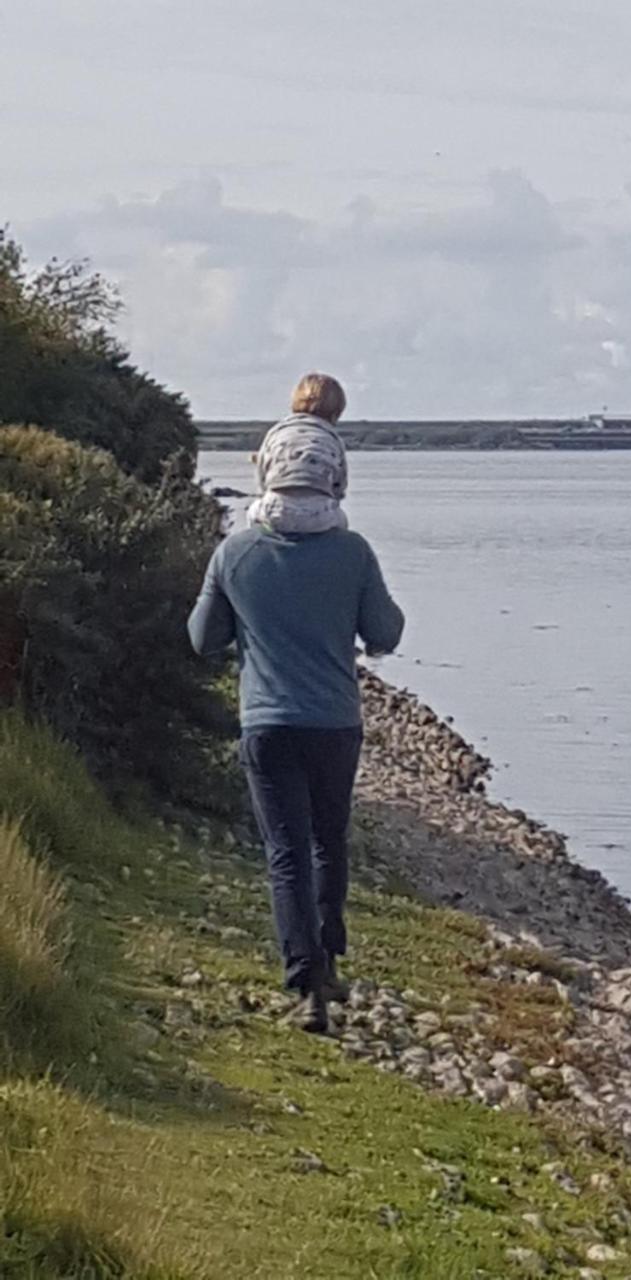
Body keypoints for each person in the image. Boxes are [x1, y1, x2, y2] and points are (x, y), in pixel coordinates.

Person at [188, 373, 404, 1033]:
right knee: (327, 844)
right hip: (335, 722)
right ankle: (331, 962)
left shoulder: (236, 552)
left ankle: (304, 985)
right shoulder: (353, 551)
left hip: (267, 722)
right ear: (334, 475)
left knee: (284, 850)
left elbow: (202, 639)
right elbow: (387, 635)